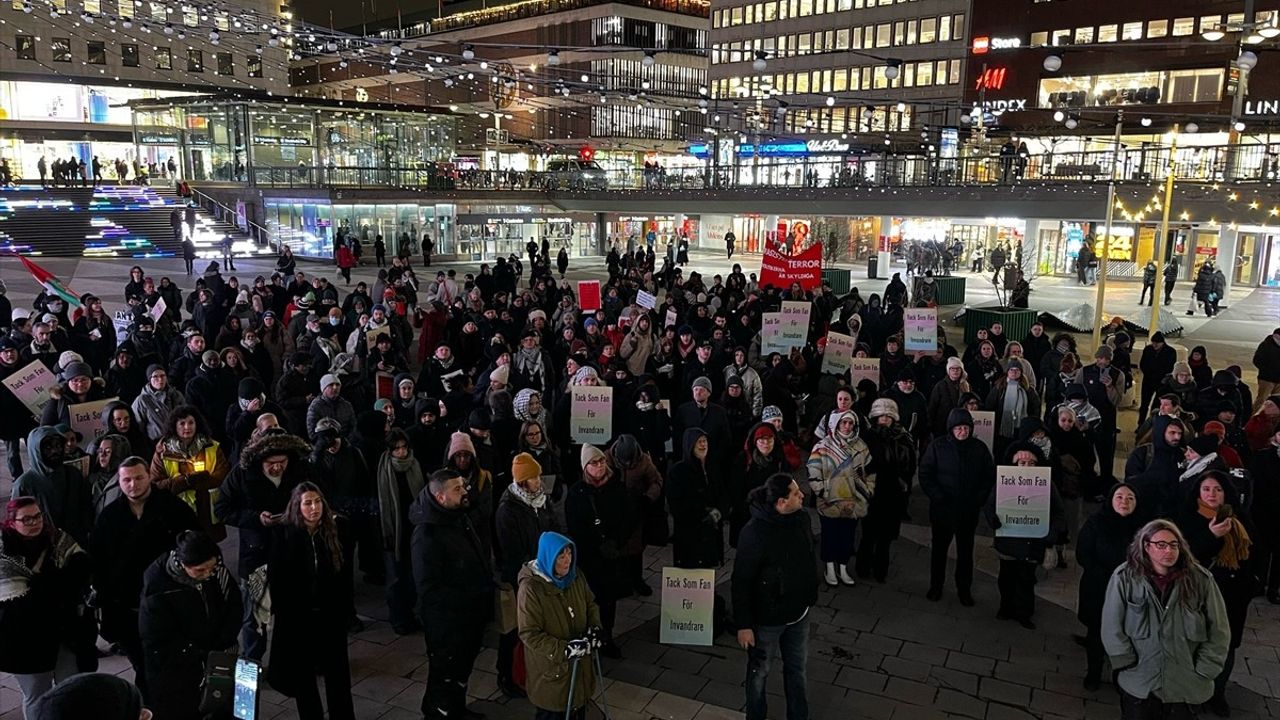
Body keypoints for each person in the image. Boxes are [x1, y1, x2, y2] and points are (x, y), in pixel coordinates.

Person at [91, 457, 198, 701]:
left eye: (138, 478)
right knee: (142, 664)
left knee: (167, 664)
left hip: (167, 603)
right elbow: (99, 564)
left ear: (149, 476)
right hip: (127, 608)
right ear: (119, 482)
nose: (133, 485)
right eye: (126, 480)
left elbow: (194, 546)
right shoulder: (109, 517)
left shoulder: (172, 509)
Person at [1101, 519, 1230, 719]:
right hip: (1141, 681)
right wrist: (1124, 663)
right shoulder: (1125, 577)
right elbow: (1111, 625)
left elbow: (1219, 631)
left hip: (1185, 684)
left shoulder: (1201, 580)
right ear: (1146, 546)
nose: (1168, 551)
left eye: (1173, 545)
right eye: (1161, 545)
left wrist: (1206, 669)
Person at [410, 469, 494, 720]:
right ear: (440, 497)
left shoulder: (458, 516)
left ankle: (456, 709)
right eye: (457, 489)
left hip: (469, 614)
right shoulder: (426, 535)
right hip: (448, 622)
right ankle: (438, 712)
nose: (465, 491)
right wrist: (467, 599)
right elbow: (429, 589)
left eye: (463, 486)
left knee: (460, 671)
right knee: (444, 673)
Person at [0, 497, 95, 720]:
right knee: (37, 694)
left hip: (64, 633)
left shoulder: (57, 537)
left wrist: (45, 585)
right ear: (12, 523)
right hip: (23, 641)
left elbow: (83, 566)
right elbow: (23, 604)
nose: (35, 522)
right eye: (27, 519)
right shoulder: (4, 553)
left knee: (70, 687)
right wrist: (61, 583)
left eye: (38, 516)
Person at [267, 483, 355, 720]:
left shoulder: (336, 529)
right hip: (299, 617)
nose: (314, 508)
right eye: (308, 503)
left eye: (317, 502)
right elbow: (278, 579)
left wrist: (345, 610)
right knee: (304, 678)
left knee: (337, 674)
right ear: (298, 506)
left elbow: (344, 577)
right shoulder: (284, 533)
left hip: (330, 614)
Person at [733, 474, 816, 720]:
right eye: (795, 493)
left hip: (798, 614)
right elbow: (741, 581)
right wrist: (744, 624)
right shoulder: (754, 532)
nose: (802, 495)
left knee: (797, 670)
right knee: (759, 672)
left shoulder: (801, 519)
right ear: (781, 503)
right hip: (767, 619)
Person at [1175, 471, 1257, 716]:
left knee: (1226, 646)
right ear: (1198, 492)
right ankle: (1190, 691)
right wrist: (1211, 536)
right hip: (1197, 595)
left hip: (1232, 597)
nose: (1212, 494)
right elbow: (1182, 558)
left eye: (1217, 489)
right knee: (1194, 643)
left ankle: (1216, 694)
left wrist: (1252, 584)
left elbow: (1255, 554)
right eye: (1207, 489)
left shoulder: (1240, 520)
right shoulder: (1186, 518)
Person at [139, 530, 242, 720]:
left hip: (215, 651)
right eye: (200, 570)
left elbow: (233, 605)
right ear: (183, 564)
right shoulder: (157, 587)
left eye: (211, 568)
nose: (207, 574)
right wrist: (199, 653)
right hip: (177, 665)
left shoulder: (216, 571)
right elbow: (157, 638)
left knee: (221, 704)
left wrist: (224, 640)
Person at [495, 452, 563, 698]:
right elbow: (512, 551)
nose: (540, 481)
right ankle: (506, 674)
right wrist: (535, 569)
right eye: (535, 477)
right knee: (515, 629)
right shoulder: (507, 510)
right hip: (522, 578)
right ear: (523, 482)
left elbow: (555, 528)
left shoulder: (542, 501)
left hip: (545, 572)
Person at [517, 532, 602, 720]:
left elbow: (590, 604)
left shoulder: (575, 576)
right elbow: (529, 634)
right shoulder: (531, 589)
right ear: (549, 557)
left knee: (578, 710)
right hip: (553, 672)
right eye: (561, 556)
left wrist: (595, 627)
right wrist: (564, 649)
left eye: (569, 554)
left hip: (579, 670)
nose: (567, 561)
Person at [565, 444, 638, 658]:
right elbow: (575, 526)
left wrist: (617, 542)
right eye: (594, 463)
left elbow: (629, 517)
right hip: (590, 559)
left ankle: (606, 636)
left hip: (613, 555)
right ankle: (590, 637)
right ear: (585, 467)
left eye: (602, 461)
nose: (599, 466)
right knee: (590, 600)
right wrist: (596, 545)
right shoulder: (577, 493)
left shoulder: (617, 487)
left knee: (609, 601)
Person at [983, 441, 1064, 630]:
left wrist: (1051, 537)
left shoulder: (1047, 485)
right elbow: (989, 505)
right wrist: (993, 520)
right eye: (1021, 463)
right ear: (1014, 464)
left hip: (1032, 543)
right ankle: (1006, 607)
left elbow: (1059, 513)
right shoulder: (1003, 482)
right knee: (1006, 577)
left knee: (1026, 580)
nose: (1026, 467)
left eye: (1031, 463)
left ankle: (1024, 613)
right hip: (1008, 541)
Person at [919, 408, 995, 605]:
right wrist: (937, 496)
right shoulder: (937, 447)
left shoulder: (979, 448)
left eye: (966, 428)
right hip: (942, 510)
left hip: (967, 512)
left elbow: (988, 477)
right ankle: (936, 586)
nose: (963, 432)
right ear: (951, 429)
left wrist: (978, 499)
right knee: (939, 552)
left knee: (965, 553)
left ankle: (964, 589)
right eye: (959, 428)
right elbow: (926, 474)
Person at [1076, 483, 1142, 691]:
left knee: (1125, 635)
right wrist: (1106, 576)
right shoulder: (1095, 523)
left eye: (1130, 498)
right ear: (1111, 500)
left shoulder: (1143, 527)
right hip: (1098, 588)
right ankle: (1093, 672)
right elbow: (1083, 553)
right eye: (1120, 497)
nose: (1124, 502)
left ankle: (1120, 675)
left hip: (1130, 591)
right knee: (1096, 632)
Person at [807, 410, 874, 587]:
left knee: (848, 535)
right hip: (830, 502)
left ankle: (843, 567)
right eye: (843, 423)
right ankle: (829, 567)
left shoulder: (861, 446)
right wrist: (822, 492)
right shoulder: (822, 446)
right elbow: (814, 471)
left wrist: (868, 491)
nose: (847, 426)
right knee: (830, 535)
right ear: (836, 424)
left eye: (850, 423)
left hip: (853, 501)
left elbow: (870, 472)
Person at [148, 406, 229, 542]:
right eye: (182, 423)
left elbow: (222, 476)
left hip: (207, 513)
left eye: (191, 422)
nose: (187, 427)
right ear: (174, 426)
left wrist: (197, 481)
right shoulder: (163, 452)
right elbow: (156, 484)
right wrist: (185, 481)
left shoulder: (212, 447)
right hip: (177, 513)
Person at [856, 399, 916, 582]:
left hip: (893, 493)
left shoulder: (903, 437)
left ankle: (881, 569)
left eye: (888, 416)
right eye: (881, 416)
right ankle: (863, 567)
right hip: (872, 493)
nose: (885, 419)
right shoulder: (867, 437)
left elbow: (911, 465)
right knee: (868, 534)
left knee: (886, 537)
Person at [376, 428, 426, 635]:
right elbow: (382, 502)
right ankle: (398, 618)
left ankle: (411, 615)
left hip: (414, 529)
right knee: (396, 578)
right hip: (393, 531)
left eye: (404, 447)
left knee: (413, 576)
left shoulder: (414, 465)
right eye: (397, 449)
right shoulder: (384, 469)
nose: (402, 452)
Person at [10, 426, 95, 547]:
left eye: (58, 446)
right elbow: (17, 521)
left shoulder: (73, 474)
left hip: (75, 544)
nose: (54, 451)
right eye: (47, 448)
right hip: (41, 547)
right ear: (36, 451)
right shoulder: (24, 484)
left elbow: (86, 505)